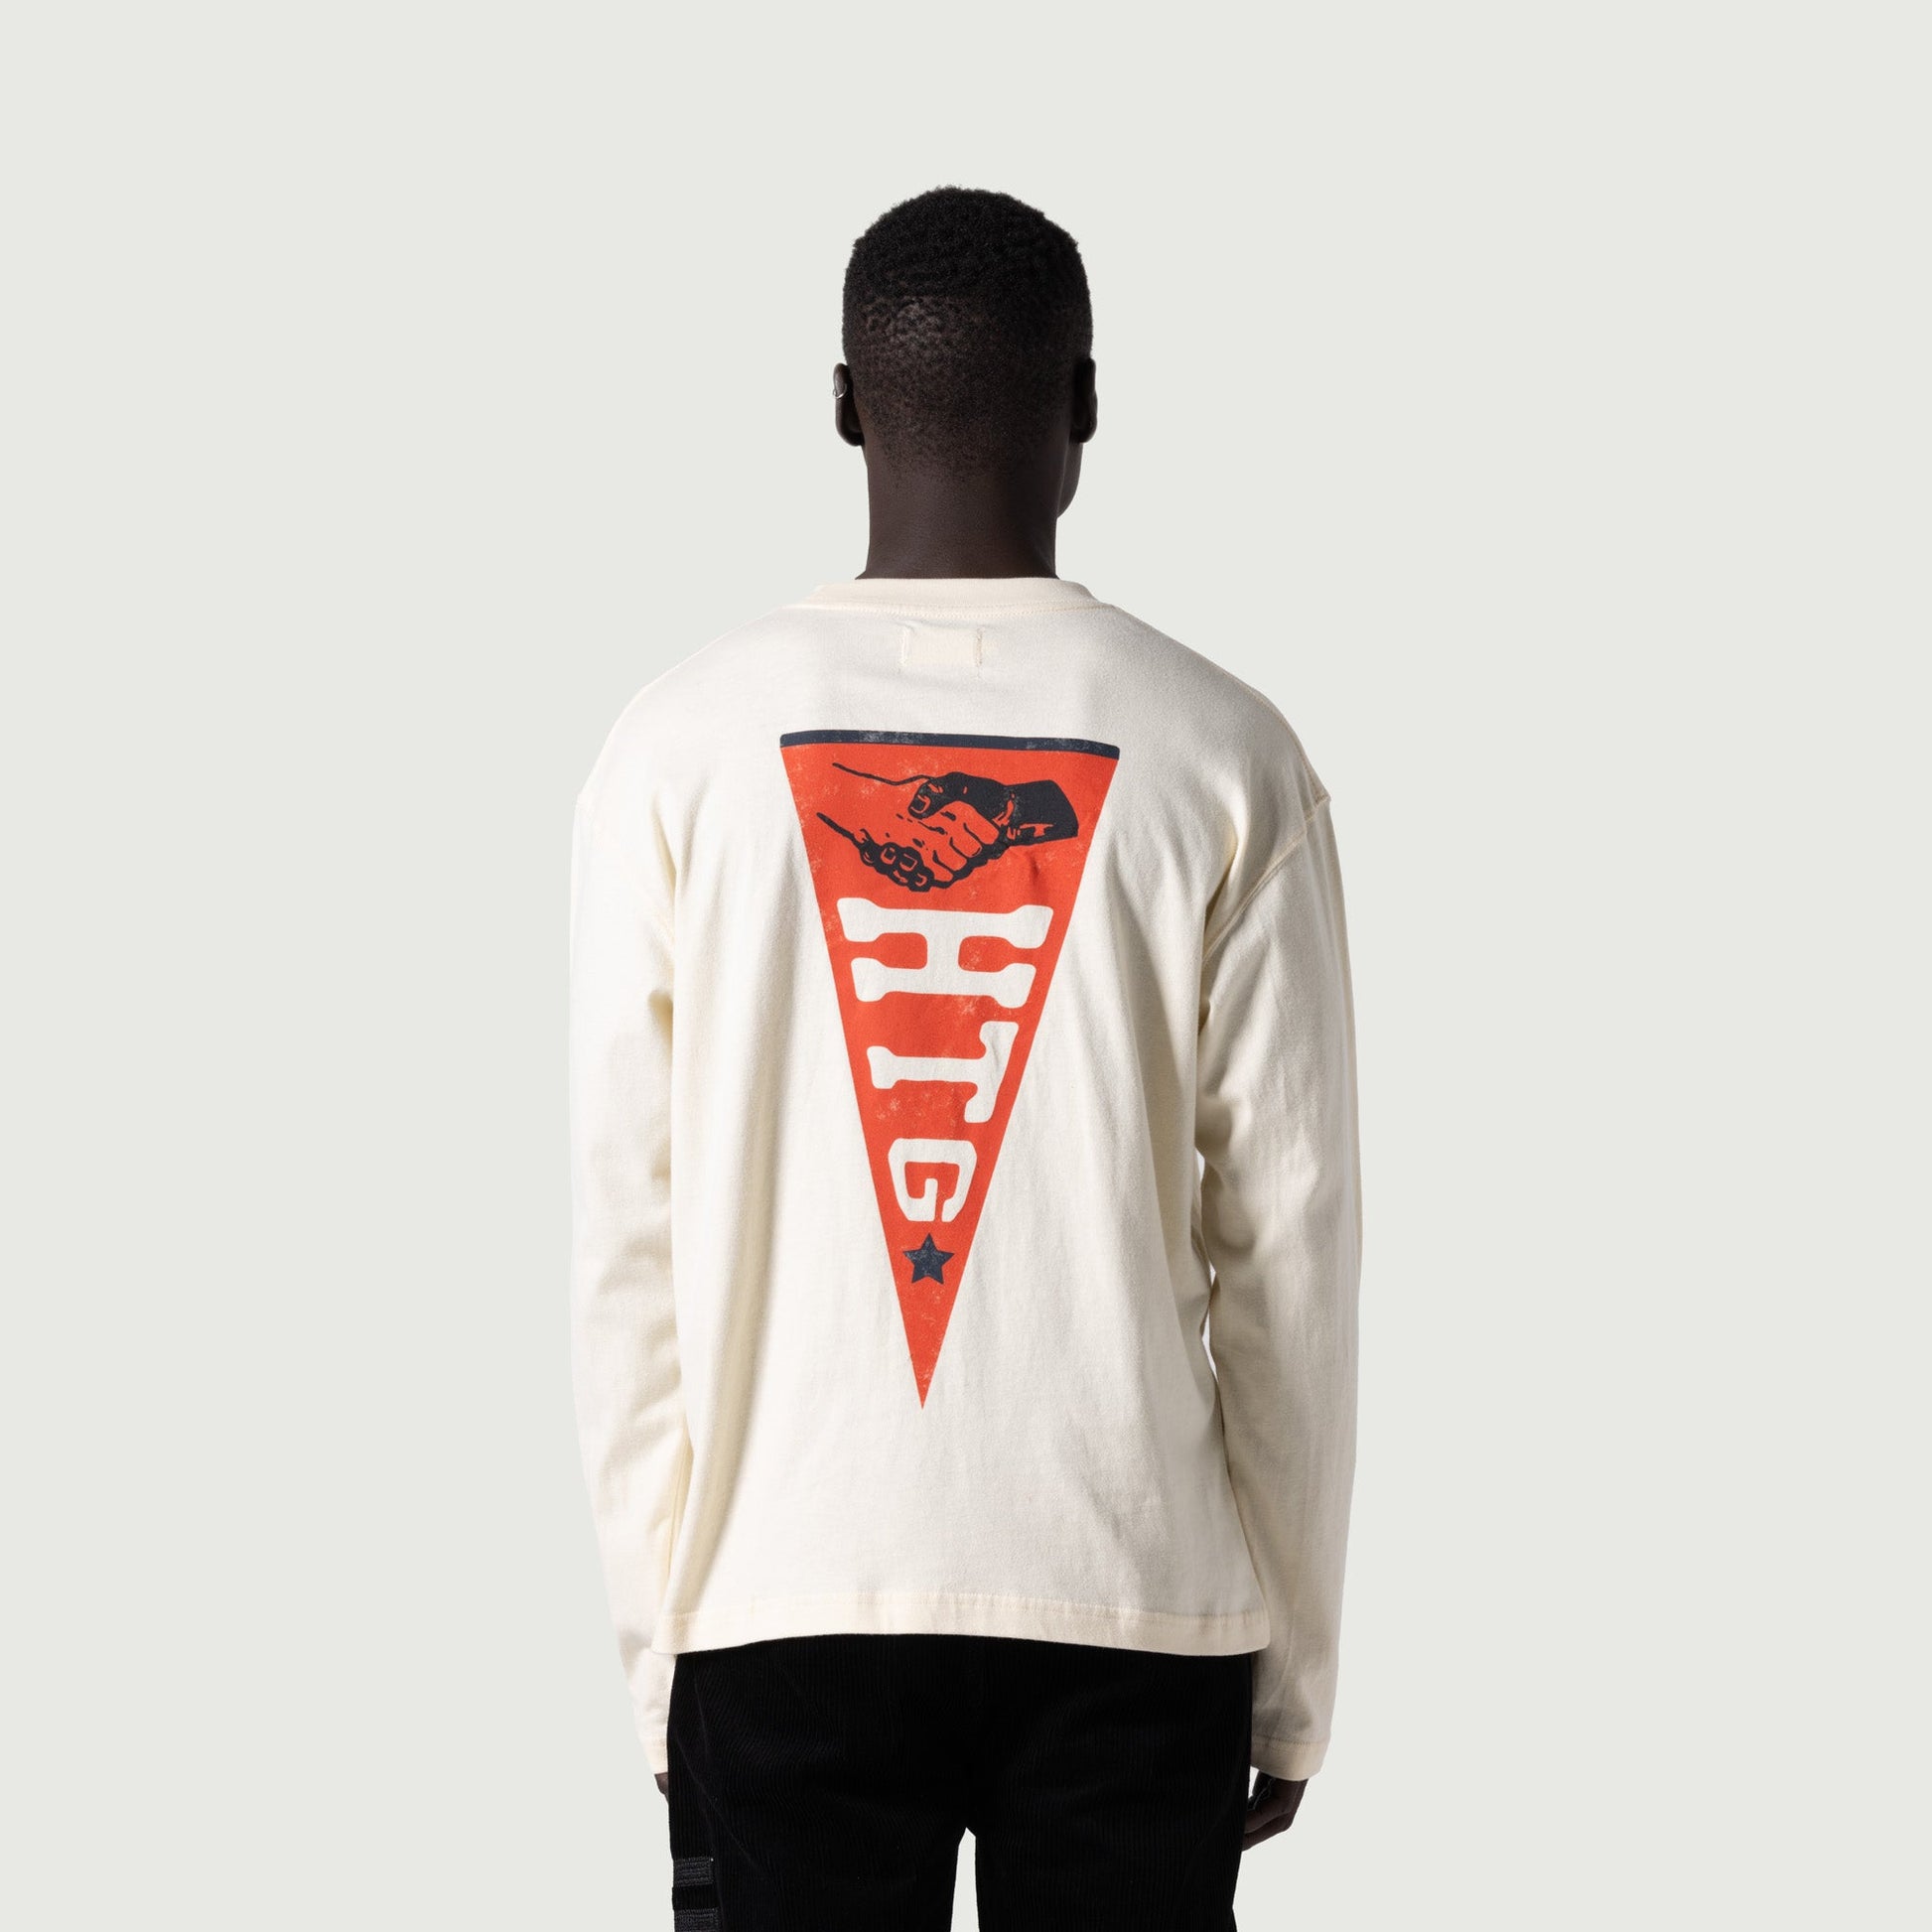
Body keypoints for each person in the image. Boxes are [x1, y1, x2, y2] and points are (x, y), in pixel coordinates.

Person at [570, 186, 1361, 1930]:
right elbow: (1291, 1251)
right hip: (1135, 1603)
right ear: (1086, 404)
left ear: (843, 406)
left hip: (781, 1597)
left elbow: (625, 1241)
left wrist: (662, 1653)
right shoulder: (1223, 749)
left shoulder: (676, 746)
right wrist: (1291, 1665)